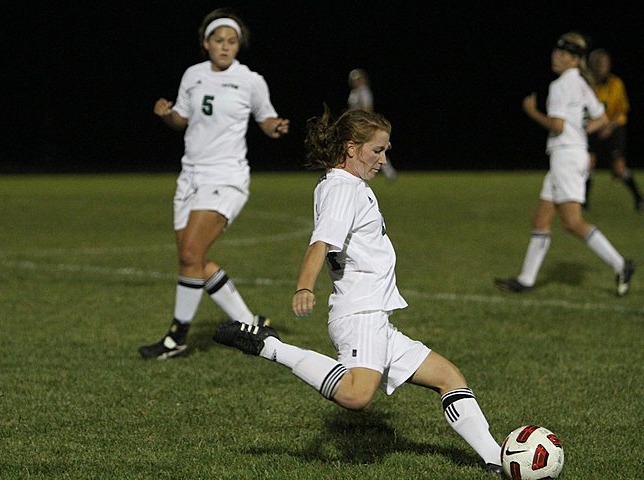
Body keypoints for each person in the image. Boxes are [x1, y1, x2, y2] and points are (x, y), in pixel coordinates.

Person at [213, 108, 504, 476]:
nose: (383, 160)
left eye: (385, 151)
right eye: (376, 150)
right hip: (359, 312)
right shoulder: (341, 188)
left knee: (448, 376)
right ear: (351, 148)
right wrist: (304, 286)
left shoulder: (347, 186)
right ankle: (269, 345)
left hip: (375, 315)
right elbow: (320, 243)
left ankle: (496, 459)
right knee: (356, 394)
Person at [138, 8, 290, 360]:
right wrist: (168, 116)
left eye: (232, 41)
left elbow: (265, 118)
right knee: (194, 258)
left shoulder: (250, 80)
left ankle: (177, 337)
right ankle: (250, 323)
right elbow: (183, 118)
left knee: (191, 254)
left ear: (238, 46)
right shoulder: (192, 75)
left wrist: (275, 127)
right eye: (219, 40)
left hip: (226, 175)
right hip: (190, 175)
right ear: (206, 43)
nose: (225, 47)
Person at [495, 32, 634, 296]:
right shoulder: (581, 83)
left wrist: (532, 111)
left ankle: (620, 264)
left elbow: (557, 125)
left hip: (566, 157)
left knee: (572, 222)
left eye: (562, 54)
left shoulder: (561, 85)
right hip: (571, 154)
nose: (556, 57)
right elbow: (602, 118)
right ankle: (526, 280)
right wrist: (580, 132)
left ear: (574, 59)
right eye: (556, 52)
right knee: (541, 218)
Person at [585, 48, 643, 212]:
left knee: (618, 168)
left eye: (603, 64)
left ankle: (639, 198)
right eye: (597, 64)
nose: (600, 68)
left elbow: (621, 109)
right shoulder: (588, 85)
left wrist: (608, 127)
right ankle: (583, 203)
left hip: (614, 129)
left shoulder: (615, 83)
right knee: (588, 164)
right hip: (594, 129)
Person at [348, 68, 397, 181]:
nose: (355, 81)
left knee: (375, 148)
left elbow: (367, 108)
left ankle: (389, 172)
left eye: (357, 79)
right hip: (355, 123)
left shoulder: (364, 92)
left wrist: (366, 123)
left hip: (363, 123)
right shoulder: (354, 93)